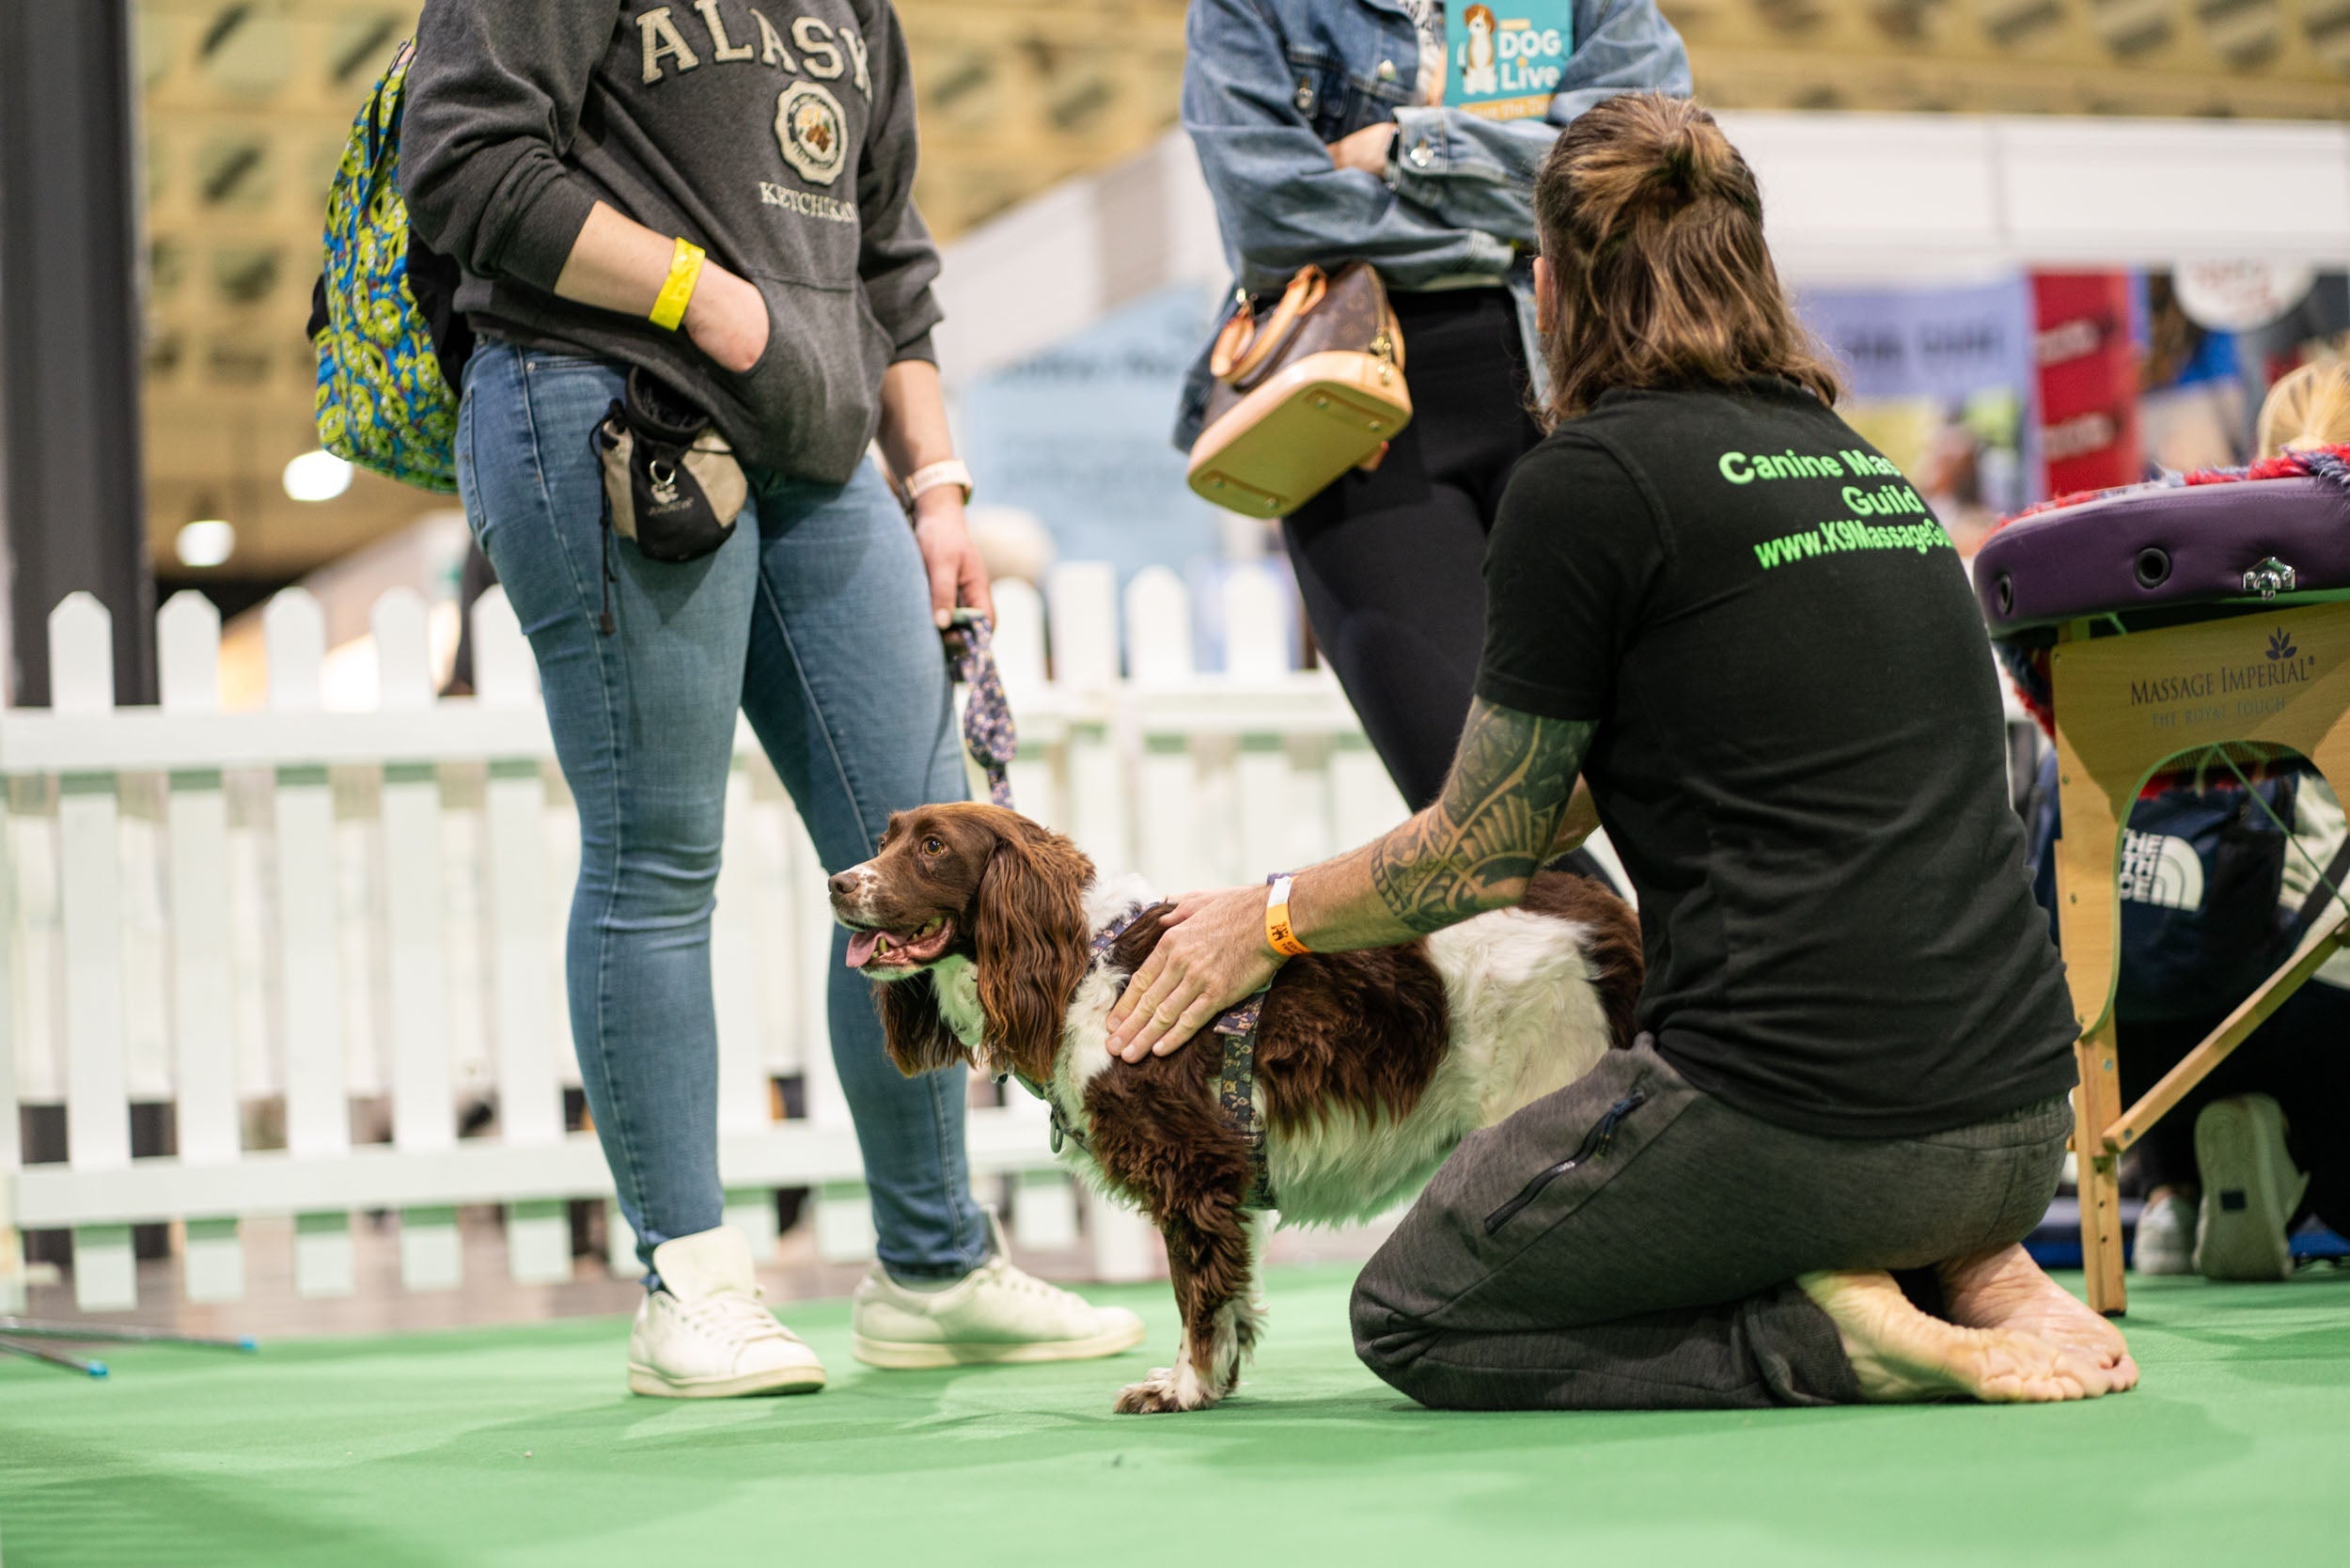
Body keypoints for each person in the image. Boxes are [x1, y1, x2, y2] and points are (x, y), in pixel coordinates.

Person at [1105, 93, 2138, 1409]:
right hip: (2014, 1134)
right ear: (1755, 271)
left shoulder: (1587, 482)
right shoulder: (1866, 472)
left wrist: (1264, 921)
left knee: (1415, 1311)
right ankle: (1952, 1267)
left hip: (1806, 1124)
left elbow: (1479, 847)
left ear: (1549, 286)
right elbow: (1620, 789)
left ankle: (1825, 1338)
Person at [400, 0, 1141, 1397]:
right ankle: (690, 1281)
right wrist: (691, 289)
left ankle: (931, 1267)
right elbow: (462, 160)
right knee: (659, 852)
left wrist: (935, 490)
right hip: (605, 397)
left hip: (817, 455)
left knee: (916, 860)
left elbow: (892, 263)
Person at [1179, 0, 1689, 821]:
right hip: (1354, 421)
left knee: (1670, 785)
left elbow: (1646, 174)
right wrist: (1516, 221)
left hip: (1584, 384)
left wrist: (1399, 151)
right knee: (1483, 814)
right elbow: (1272, 214)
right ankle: (1618, 953)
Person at [2115, 359, 2350, 1280]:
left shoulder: (2171, 594)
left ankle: (2171, 1196)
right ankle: (2301, 1176)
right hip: (2320, 993)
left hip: (2155, 1005)